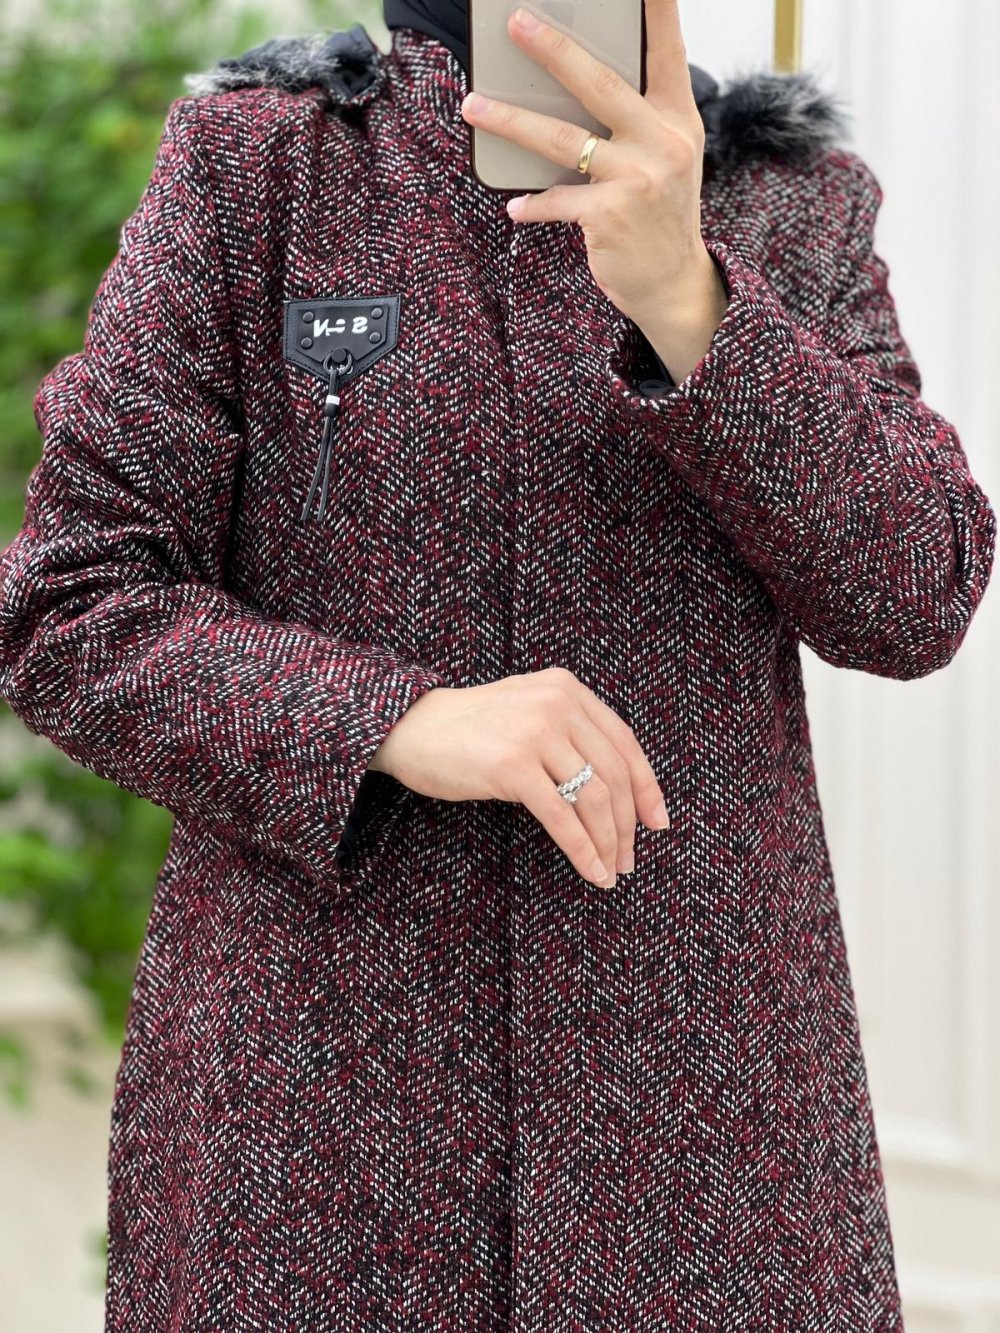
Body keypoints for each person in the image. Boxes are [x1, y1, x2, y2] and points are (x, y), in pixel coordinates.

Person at [0, 0, 995, 1328]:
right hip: (313, 1123)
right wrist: (392, 720)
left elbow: (916, 593)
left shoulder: (788, 205)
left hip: (706, 1131)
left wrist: (690, 299)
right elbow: (71, 604)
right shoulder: (261, 167)